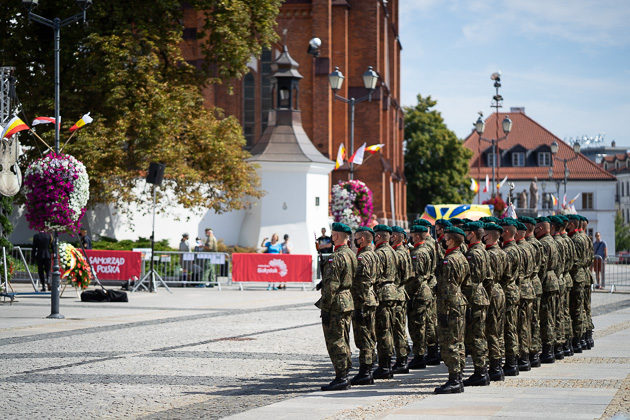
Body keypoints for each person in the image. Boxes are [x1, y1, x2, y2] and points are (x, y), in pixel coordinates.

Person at [316, 222, 357, 391]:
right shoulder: (351, 254)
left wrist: (325, 308)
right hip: (347, 299)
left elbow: (332, 284)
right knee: (344, 338)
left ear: (336, 236)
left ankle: (341, 376)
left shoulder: (337, 256)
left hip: (336, 303)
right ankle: (344, 371)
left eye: (333, 235)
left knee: (336, 340)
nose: (331, 238)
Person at [434, 226, 469, 394]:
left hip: (450, 304)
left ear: (452, 240)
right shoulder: (461, 257)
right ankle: (458, 376)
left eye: (446, 238)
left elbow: (446, 286)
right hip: (458, 300)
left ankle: (454, 379)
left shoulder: (450, 260)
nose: (443, 241)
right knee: (458, 340)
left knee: (450, 341)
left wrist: (443, 308)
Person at [461, 221, 491, 386]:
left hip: (474, 297)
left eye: (466, 232)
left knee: (476, 336)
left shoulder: (473, 253)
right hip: (480, 295)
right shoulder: (483, 250)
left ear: (472, 234)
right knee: (478, 335)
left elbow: (471, 279)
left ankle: (480, 372)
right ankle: (482, 371)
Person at [350, 226, 379, 385]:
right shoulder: (373, 255)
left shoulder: (363, 257)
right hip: (370, 298)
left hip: (363, 300)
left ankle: (365, 371)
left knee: (364, 337)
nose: (355, 241)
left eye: (357, 237)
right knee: (369, 335)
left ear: (361, 239)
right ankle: (368, 368)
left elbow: (360, 281)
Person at [372, 224, 399, 380]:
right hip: (393, 291)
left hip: (382, 293)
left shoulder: (380, 253)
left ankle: (385, 366)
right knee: (389, 330)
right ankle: (387, 364)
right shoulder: (394, 252)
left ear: (379, 237)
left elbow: (374, 275)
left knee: (382, 331)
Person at [483, 223, 507, 381]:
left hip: (491, 293)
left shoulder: (490, 254)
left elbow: (487, 278)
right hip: (500, 291)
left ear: (489, 236)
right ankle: (497, 364)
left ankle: (495, 367)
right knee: (498, 330)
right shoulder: (503, 253)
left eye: (485, 234)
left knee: (491, 331)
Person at [534, 216, 561, 364]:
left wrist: (541, 279)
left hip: (547, 282)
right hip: (554, 280)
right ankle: (553, 347)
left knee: (546, 318)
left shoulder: (544, 243)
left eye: (538, 227)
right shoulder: (554, 241)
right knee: (552, 315)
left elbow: (542, 266)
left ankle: (548, 350)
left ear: (542, 228)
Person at [498, 218, 521, 376]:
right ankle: (513, 361)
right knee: (512, 327)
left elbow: (501, 274)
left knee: (509, 329)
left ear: (506, 232)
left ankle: (511, 363)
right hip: (513, 289)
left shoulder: (507, 251)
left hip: (507, 290)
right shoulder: (517, 248)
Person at [390, 226, 413, 374]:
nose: (390, 237)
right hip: (400, 292)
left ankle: (402, 360)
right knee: (398, 327)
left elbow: (406, 275)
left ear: (398, 237)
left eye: (392, 235)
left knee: (398, 328)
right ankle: (402, 357)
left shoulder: (399, 253)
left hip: (398, 293)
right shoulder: (402, 251)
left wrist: (398, 285)